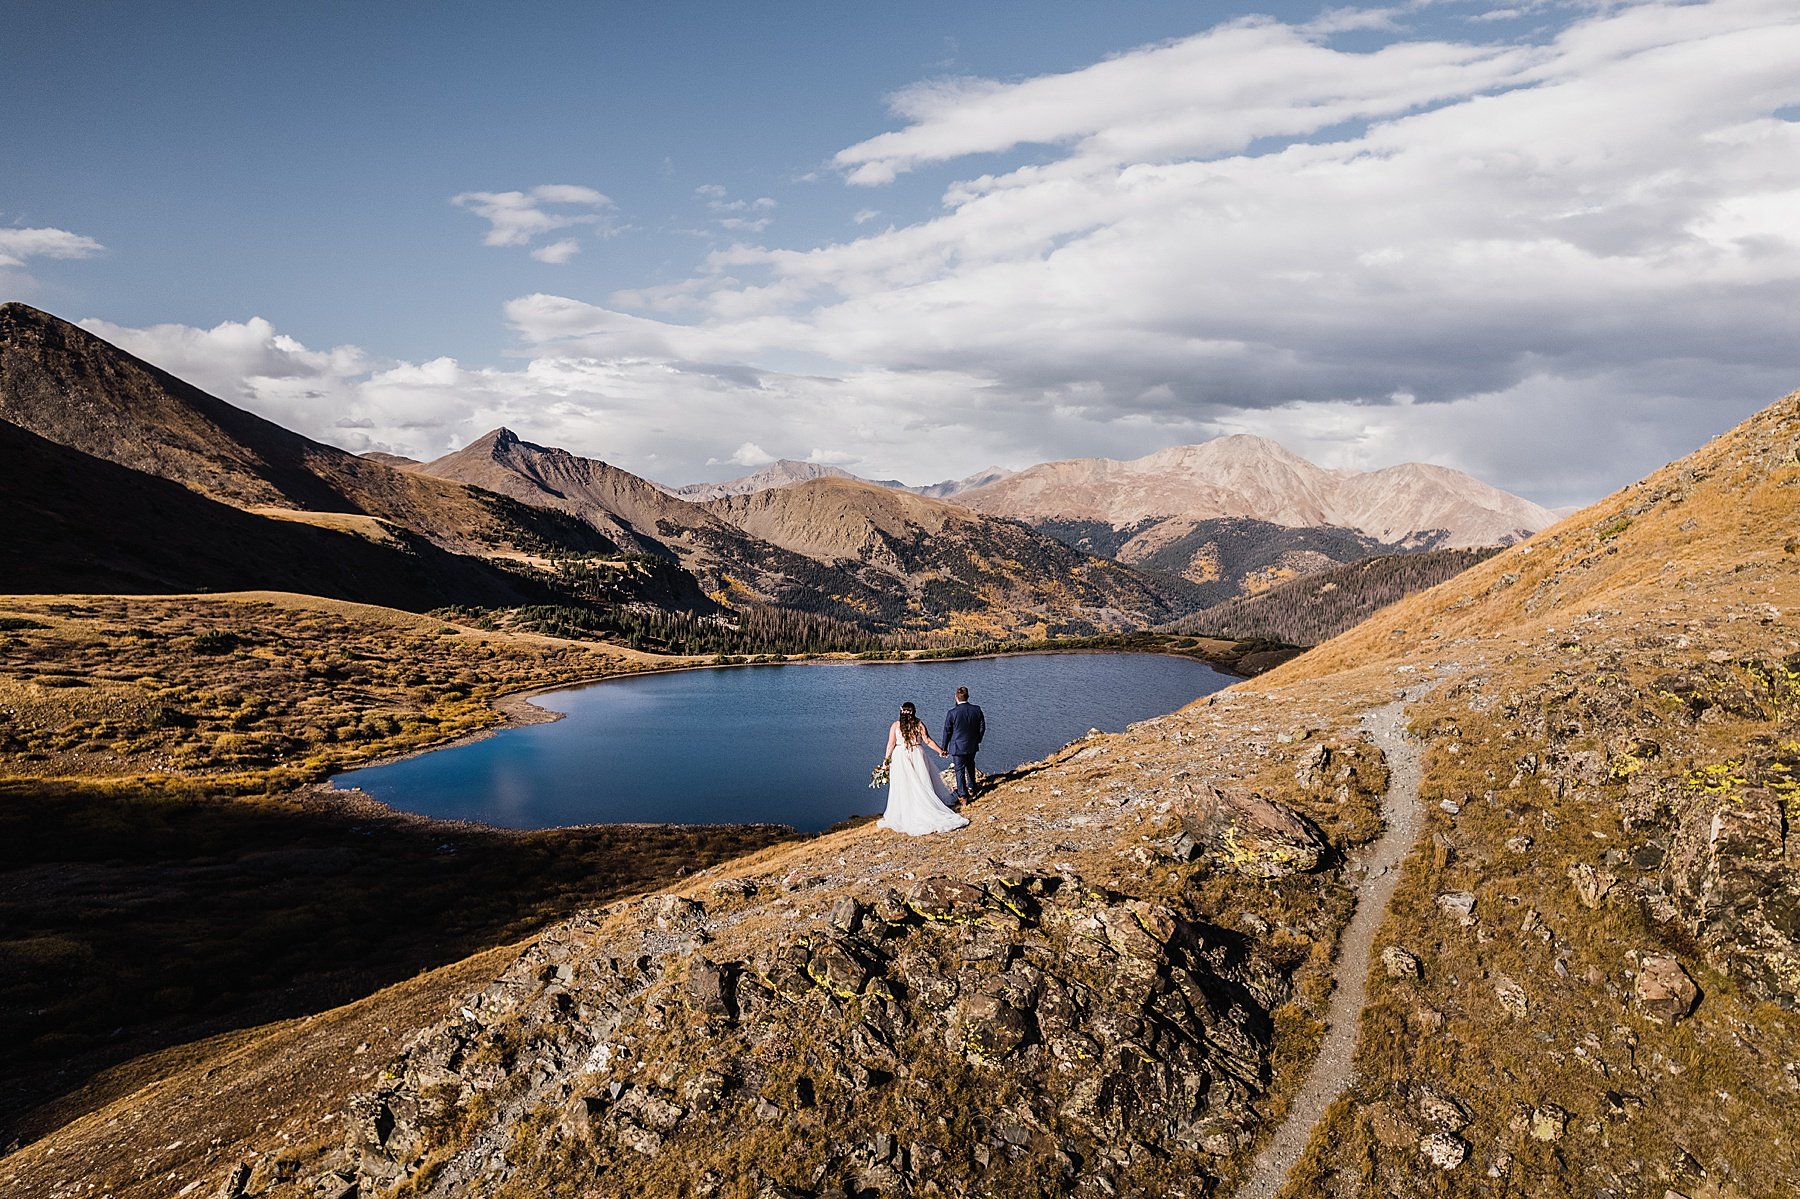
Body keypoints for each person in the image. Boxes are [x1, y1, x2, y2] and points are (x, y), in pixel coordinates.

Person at [877, 701, 968, 836]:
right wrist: (940, 751)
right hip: (917, 754)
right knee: (922, 782)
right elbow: (928, 740)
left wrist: (886, 761)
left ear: (901, 712)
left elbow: (891, 745)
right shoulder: (919, 724)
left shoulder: (896, 726)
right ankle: (925, 806)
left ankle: (907, 810)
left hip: (901, 756)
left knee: (904, 784)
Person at [942, 685, 986, 802]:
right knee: (970, 765)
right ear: (968, 696)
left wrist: (944, 747)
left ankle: (962, 794)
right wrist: (978, 739)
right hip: (972, 744)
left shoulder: (952, 713)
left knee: (959, 770)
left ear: (956, 697)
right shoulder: (976, 709)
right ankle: (972, 787)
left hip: (957, 746)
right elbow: (982, 727)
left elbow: (947, 731)